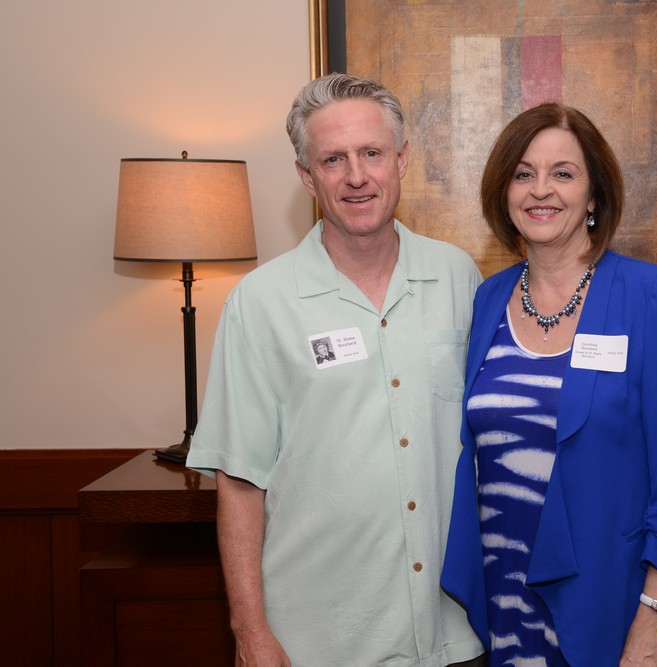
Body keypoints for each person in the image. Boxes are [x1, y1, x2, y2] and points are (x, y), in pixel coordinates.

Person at [186, 73, 485, 666]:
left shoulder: (459, 278)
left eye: (372, 153)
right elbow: (240, 481)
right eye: (333, 159)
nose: (356, 176)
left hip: (453, 632)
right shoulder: (260, 303)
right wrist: (249, 632)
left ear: (401, 159)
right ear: (306, 176)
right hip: (320, 641)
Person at [440, 103, 657, 666]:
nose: (541, 190)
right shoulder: (489, 298)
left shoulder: (650, 296)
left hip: (606, 599)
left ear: (593, 196)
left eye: (563, 173)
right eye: (523, 174)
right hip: (502, 592)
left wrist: (654, 618)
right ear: (504, 192)